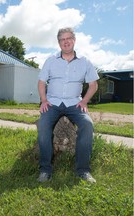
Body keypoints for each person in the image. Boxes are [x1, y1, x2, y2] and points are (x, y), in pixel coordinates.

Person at [37, 27, 99, 183]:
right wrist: (44, 100)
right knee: (43, 124)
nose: (66, 42)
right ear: (59, 43)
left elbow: (93, 85)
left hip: (74, 103)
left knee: (87, 124)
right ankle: (45, 170)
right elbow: (41, 82)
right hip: (53, 102)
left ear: (74, 40)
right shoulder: (50, 60)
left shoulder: (85, 62)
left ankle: (83, 170)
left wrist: (84, 101)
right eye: (62, 39)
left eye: (68, 38)